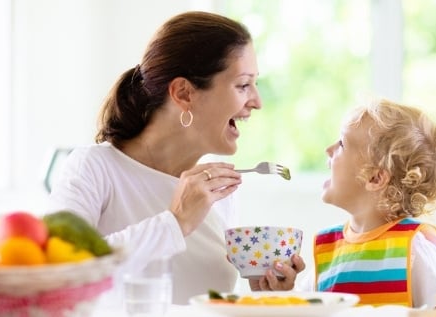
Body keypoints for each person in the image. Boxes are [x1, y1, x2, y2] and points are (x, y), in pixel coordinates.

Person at [46, 11, 305, 304]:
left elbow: (202, 301)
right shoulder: (93, 168)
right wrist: (175, 223)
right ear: (184, 93)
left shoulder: (217, 190)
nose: (257, 101)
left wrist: (264, 294)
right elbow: (59, 273)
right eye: (243, 85)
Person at [313, 98, 436, 308]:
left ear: (375, 178)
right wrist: (279, 292)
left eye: (342, 144)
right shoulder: (328, 247)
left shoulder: (413, 247)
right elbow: (301, 308)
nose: (329, 149)